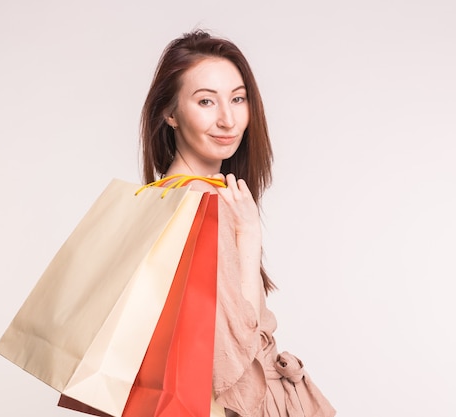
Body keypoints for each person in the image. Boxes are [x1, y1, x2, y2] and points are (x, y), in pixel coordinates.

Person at [140, 30, 336, 417]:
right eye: (206, 101)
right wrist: (247, 238)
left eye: (238, 98)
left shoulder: (160, 196)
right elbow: (232, 350)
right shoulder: (205, 200)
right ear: (170, 113)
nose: (227, 119)